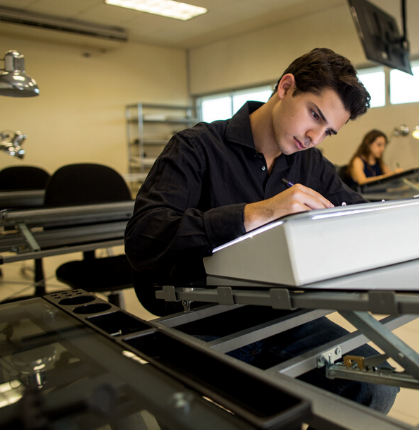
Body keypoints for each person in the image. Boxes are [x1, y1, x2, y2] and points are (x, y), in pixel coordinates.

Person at [125, 48, 399, 414]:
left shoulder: (311, 163)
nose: (314, 136)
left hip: (283, 314)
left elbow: (357, 213)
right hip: (206, 316)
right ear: (286, 87)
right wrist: (259, 212)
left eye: (327, 131)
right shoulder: (196, 147)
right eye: (314, 115)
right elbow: (144, 236)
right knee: (196, 406)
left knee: (377, 386)